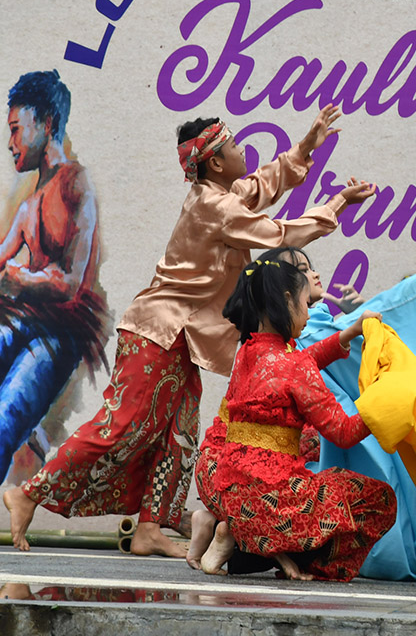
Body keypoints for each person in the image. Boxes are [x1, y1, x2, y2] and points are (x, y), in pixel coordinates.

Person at [5, 104, 374, 556]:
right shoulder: (214, 206)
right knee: (121, 424)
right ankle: (28, 492)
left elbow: (263, 186)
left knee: (178, 434)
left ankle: (150, 528)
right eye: (235, 146)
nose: (244, 151)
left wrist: (306, 146)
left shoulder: (224, 195)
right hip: (155, 331)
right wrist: (336, 205)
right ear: (215, 162)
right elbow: (280, 236)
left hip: (181, 337)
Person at [201, 255, 395, 581]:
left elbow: (298, 362)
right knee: (379, 499)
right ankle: (303, 562)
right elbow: (343, 432)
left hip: (229, 493)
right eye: (306, 304)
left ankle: (237, 539)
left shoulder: (248, 352)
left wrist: (347, 334)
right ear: (286, 299)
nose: (308, 313)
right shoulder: (294, 366)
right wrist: (385, 402)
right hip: (274, 502)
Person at [0, 70, 109, 482]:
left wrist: (18, 278)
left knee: (6, 415)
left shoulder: (76, 184)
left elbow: (69, 283)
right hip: (27, 322)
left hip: (58, 335)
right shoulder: (31, 202)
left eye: (15, 129)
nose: (10, 142)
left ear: (46, 123)